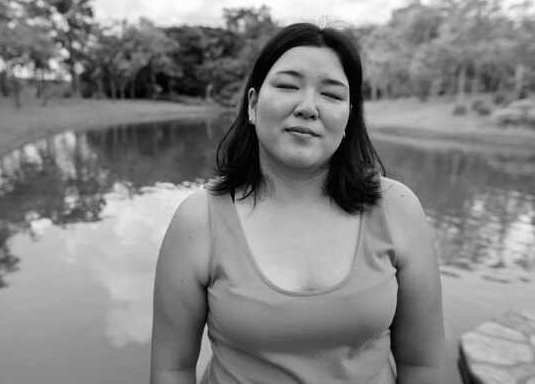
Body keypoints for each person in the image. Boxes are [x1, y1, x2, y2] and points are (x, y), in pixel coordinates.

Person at [150, 22, 446, 384]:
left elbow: (423, 365)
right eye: (288, 86)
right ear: (253, 103)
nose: (308, 107)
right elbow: (172, 369)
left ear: (350, 116)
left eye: (332, 95)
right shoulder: (198, 220)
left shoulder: (397, 208)